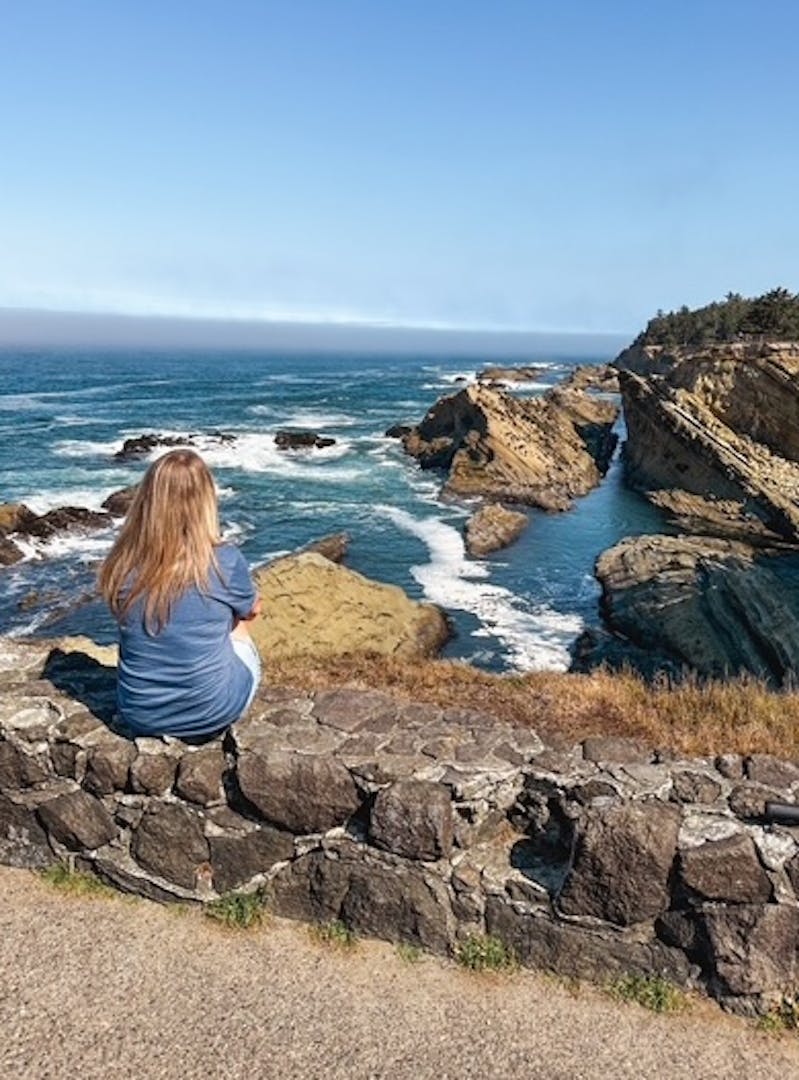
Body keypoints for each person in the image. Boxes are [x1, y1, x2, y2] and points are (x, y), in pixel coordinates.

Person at [99, 448, 261, 740]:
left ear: (148, 499)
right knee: (239, 622)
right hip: (212, 713)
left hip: (139, 714)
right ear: (206, 501)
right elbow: (251, 610)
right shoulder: (223, 559)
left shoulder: (122, 563)